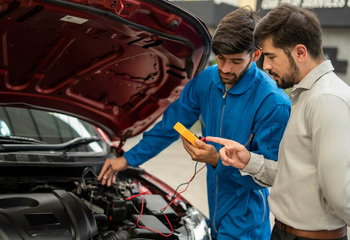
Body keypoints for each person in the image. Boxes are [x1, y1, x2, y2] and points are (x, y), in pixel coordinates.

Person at [98, 7, 291, 239]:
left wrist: (216, 159)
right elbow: (170, 125)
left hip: (246, 225)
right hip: (213, 211)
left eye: (236, 61)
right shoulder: (207, 80)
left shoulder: (273, 103)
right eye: (221, 58)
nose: (225, 69)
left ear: (256, 55)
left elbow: (269, 176)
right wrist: (128, 159)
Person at [207, 3, 350, 240]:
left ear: (300, 52)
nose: (266, 66)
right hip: (288, 233)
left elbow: (340, 193)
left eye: (272, 56)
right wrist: (249, 161)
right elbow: (294, 176)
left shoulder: (327, 99)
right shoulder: (307, 95)